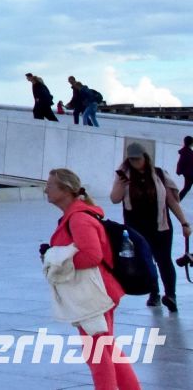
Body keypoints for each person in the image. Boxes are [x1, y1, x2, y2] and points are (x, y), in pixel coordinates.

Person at [44, 168, 143, 390]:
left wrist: (57, 260)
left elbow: (91, 255)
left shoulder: (79, 218)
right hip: (100, 291)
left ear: (65, 190)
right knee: (105, 348)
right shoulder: (76, 215)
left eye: (50, 186)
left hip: (96, 295)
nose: (45, 190)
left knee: (97, 353)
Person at [109, 142, 192, 311]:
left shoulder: (159, 175)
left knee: (164, 261)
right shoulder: (124, 176)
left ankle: (171, 296)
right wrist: (120, 184)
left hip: (161, 226)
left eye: (137, 159)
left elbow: (172, 201)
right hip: (136, 228)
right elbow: (115, 199)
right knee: (147, 261)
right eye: (131, 160)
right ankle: (154, 294)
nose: (135, 163)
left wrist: (184, 223)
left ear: (145, 158)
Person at [178, 137, 193, 201]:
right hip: (189, 173)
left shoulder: (185, 151)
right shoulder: (188, 152)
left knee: (187, 188)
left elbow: (180, 162)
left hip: (188, 172)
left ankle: (177, 200)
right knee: (187, 188)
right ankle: (177, 200)